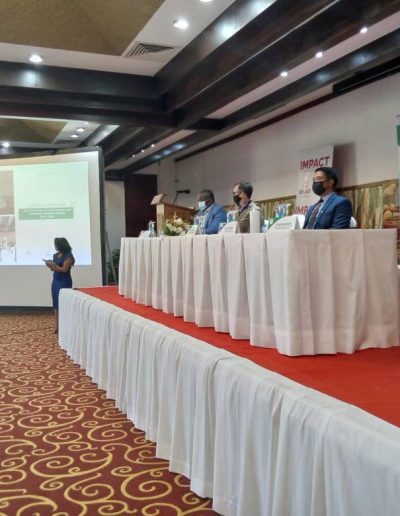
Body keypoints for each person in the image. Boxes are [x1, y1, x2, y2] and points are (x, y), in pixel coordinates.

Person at [45, 237, 75, 333]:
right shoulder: (56, 255)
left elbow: (64, 269)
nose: (55, 246)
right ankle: (57, 325)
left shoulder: (69, 256)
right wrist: (50, 266)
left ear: (61, 245)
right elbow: (53, 269)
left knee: (63, 303)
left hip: (64, 281)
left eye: (56, 244)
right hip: (56, 281)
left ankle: (65, 325)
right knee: (56, 304)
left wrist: (54, 267)